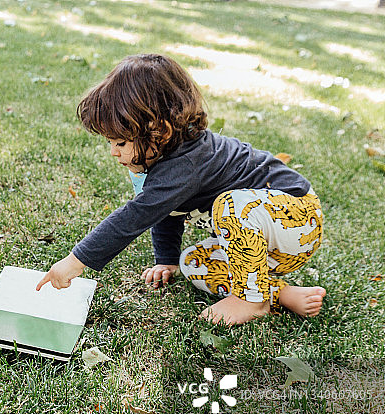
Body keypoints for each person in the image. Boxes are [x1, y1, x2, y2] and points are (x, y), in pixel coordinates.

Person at [36, 53, 326, 325]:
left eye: (121, 143)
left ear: (160, 130)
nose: (113, 152)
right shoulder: (161, 158)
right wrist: (168, 260)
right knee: (193, 263)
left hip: (296, 217)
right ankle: (281, 294)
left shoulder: (187, 163)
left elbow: (137, 215)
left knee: (232, 206)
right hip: (260, 243)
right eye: (110, 142)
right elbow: (165, 210)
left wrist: (77, 261)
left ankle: (251, 301)